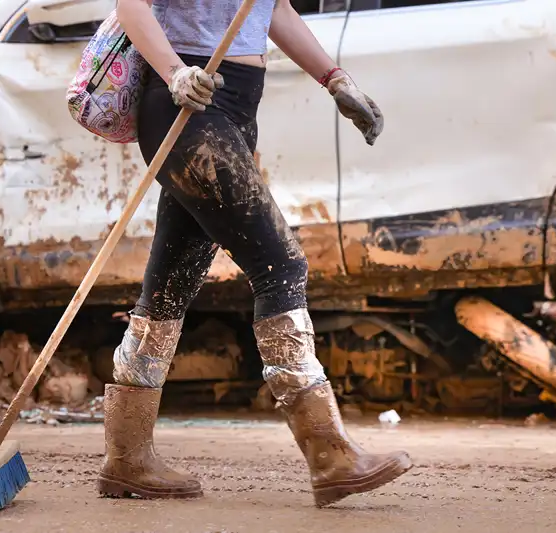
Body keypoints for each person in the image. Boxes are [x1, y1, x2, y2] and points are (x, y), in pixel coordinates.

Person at [97, 0, 412, 508]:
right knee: (280, 265)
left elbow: (275, 9)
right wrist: (176, 74)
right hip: (186, 105)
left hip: (238, 107)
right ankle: (329, 455)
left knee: (172, 282)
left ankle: (127, 457)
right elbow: (130, 4)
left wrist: (334, 78)